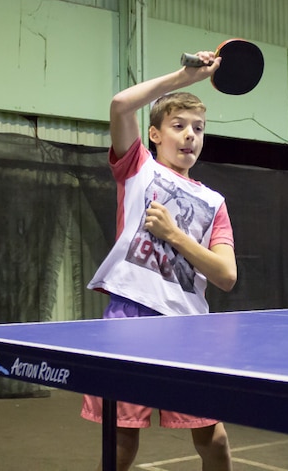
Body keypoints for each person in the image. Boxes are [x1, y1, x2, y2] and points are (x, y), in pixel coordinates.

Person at [81, 51, 238, 471]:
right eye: (179, 126)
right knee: (120, 442)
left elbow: (225, 275)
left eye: (198, 129)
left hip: (188, 328)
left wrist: (174, 235)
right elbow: (120, 104)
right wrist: (183, 77)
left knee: (215, 441)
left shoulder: (213, 202)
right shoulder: (137, 169)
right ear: (154, 134)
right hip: (131, 317)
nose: (190, 136)